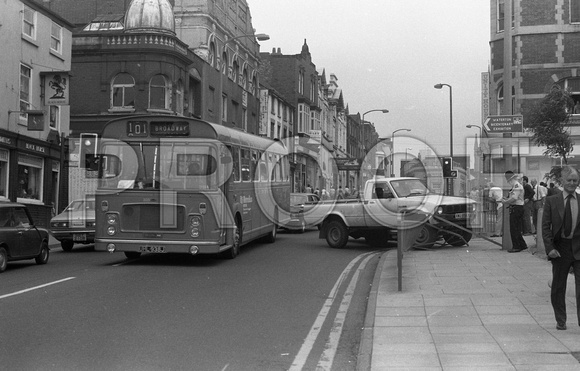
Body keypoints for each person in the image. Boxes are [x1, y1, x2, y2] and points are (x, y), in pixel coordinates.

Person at [542, 165, 580, 330]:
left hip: (579, 247)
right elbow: (545, 227)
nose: (572, 183)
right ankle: (561, 320)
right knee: (558, 287)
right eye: (569, 180)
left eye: (575, 180)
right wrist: (550, 248)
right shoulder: (552, 201)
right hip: (560, 248)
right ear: (562, 181)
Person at [503, 171, 527, 253]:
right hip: (517, 207)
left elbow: (514, 198)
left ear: (511, 179)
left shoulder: (516, 186)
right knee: (516, 227)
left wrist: (505, 202)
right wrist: (507, 200)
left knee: (514, 228)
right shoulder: (516, 186)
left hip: (516, 208)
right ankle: (522, 245)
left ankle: (516, 246)